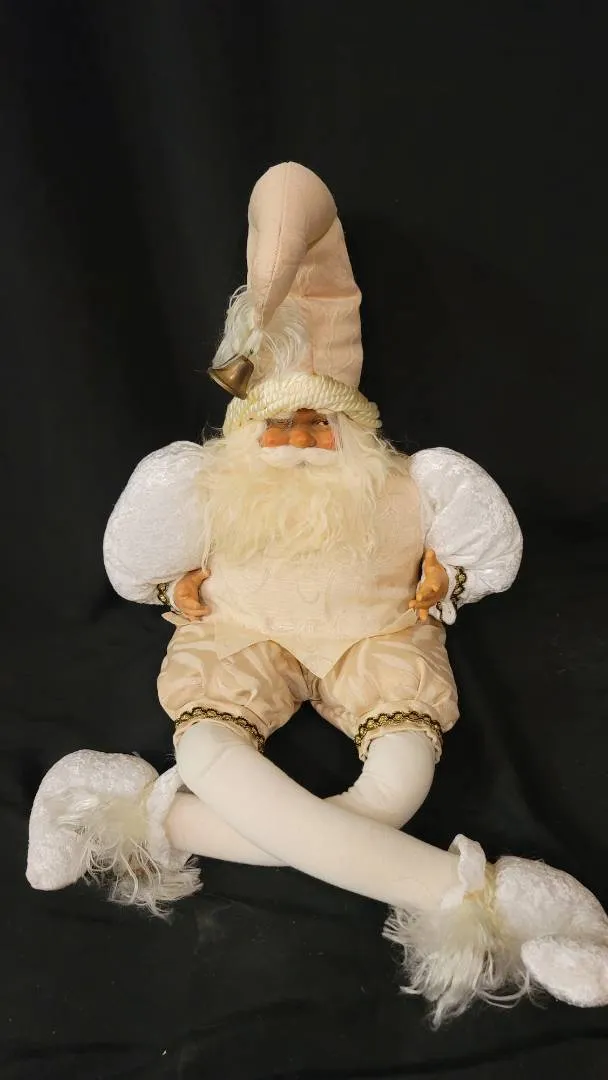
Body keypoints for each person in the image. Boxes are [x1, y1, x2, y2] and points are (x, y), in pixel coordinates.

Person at [27, 163, 608, 1024]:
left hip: (372, 636)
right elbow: (134, 563)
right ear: (243, 432)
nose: (296, 439)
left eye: (316, 425)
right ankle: (501, 903)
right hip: (243, 635)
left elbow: (488, 553)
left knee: (396, 784)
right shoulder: (204, 483)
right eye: (278, 425)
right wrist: (173, 581)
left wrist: (447, 573)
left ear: (354, 430)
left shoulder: (413, 482)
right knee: (212, 750)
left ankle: (117, 808)